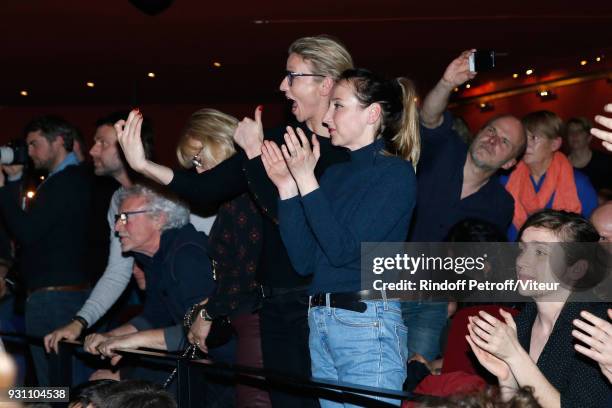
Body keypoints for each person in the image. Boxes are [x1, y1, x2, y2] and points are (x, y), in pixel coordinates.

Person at [117, 35, 353, 408]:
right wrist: (143, 165)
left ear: (325, 83)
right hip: (275, 308)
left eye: (291, 76)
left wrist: (256, 158)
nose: (281, 86)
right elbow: (205, 189)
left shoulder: (349, 151)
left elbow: (309, 231)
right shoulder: (276, 138)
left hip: (326, 309)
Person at [260, 67, 418, 407]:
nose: (328, 115)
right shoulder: (333, 175)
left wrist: (306, 180)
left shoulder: (396, 174)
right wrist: (289, 188)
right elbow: (304, 261)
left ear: (372, 113)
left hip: (366, 320)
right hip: (321, 320)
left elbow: (344, 251)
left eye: (338, 106)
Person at [405, 50, 526, 361]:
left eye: (504, 142)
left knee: (413, 381)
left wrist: (457, 297)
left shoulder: (500, 204)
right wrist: (447, 82)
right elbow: (429, 117)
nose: (492, 140)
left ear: (510, 162)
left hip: (433, 301)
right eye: (491, 131)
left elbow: (480, 260)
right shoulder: (443, 150)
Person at [176, 108, 271, 407]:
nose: (198, 171)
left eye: (199, 159)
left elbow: (247, 273)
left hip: (258, 324)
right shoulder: (242, 194)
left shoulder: (243, 197)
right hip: (252, 320)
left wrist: (207, 313)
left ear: (221, 142)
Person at [467, 209, 610, 407]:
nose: (522, 262)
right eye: (522, 249)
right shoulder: (521, 322)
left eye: (540, 252)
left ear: (577, 269)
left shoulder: (597, 330)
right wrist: (507, 377)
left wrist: (515, 357)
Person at [44, 112, 154, 354]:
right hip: (159, 311)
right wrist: (79, 322)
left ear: (129, 146)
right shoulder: (117, 200)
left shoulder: (167, 193)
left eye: (102, 142)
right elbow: (117, 271)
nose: (92, 151)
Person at [0, 115, 92, 386]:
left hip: (56, 298)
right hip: (56, 295)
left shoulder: (67, 181)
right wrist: (15, 178)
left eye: (35, 144)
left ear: (59, 142)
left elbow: (26, 232)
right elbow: (33, 226)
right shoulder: (64, 181)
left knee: (56, 385)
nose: (29, 153)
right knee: (54, 383)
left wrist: (2, 190)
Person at [503, 110, 598, 241]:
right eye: (524, 137)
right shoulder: (506, 179)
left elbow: (592, 231)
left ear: (555, 144)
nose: (526, 144)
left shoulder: (578, 182)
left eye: (534, 138)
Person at [566, 116, 612, 197]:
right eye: (570, 131)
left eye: (580, 131)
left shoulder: (605, 161)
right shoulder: (560, 164)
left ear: (589, 137)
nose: (574, 135)